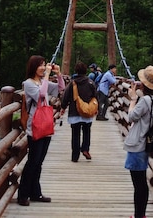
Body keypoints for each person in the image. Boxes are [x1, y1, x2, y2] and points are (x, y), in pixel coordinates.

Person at [17, 55, 65, 206]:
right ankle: (23, 195)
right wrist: (47, 76)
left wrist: (58, 74)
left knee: (39, 163)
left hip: (46, 125)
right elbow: (42, 94)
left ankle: (36, 193)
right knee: (33, 162)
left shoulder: (42, 82)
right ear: (33, 67)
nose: (43, 67)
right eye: (40, 65)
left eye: (44, 65)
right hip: (35, 127)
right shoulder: (29, 84)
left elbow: (61, 89)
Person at [124, 65, 153, 218]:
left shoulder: (145, 100)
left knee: (138, 184)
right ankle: (140, 214)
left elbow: (131, 116)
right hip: (147, 142)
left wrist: (133, 99)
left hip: (137, 144)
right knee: (141, 182)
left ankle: (139, 215)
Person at [60, 60, 98, 161]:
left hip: (74, 112)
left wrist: (63, 107)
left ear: (76, 71)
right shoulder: (90, 83)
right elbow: (95, 96)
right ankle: (85, 148)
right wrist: (95, 108)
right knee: (87, 131)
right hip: (87, 111)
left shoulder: (72, 83)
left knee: (75, 134)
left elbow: (65, 96)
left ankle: (75, 156)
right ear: (86, 71)